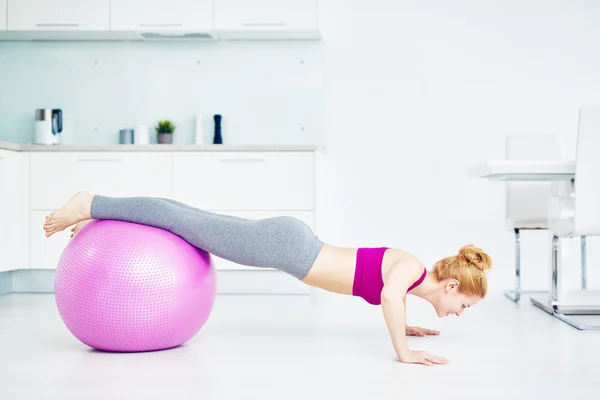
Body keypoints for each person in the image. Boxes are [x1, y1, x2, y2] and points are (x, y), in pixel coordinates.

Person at [43, 191, 492, 366]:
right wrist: (405, 351)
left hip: (290, 243)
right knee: (183, 221)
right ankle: (92, 204)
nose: (458, 313)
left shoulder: (411, 279)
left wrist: (408, 324)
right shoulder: (411, 269)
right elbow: (390, 299)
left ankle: (104, 219)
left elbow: (387, 294)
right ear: (452, 286)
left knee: (192, 219)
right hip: (287, 247)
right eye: (464, 305)